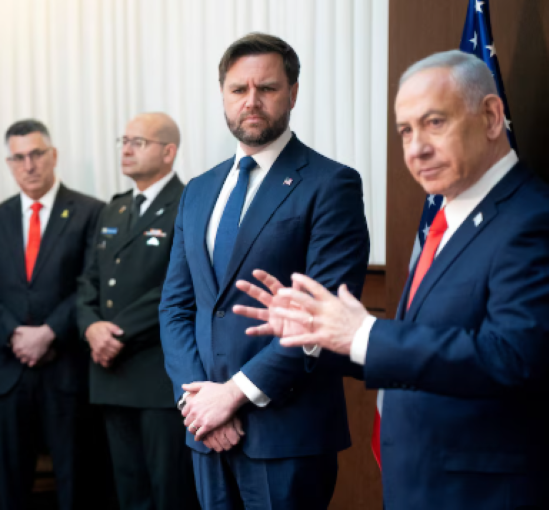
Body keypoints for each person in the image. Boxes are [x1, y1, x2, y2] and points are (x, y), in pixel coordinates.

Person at [245, 50, 549, 509]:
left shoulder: (531, 219)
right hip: (420, 485)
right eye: (406, 131)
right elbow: (422, 346)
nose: (416, 148)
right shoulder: (452, 217)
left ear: (491, 117)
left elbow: (512, 358)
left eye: (434, 123)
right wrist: (323, 336)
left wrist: (365, 334)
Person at [158, 33, 369, 509]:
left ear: (293, 93)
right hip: (205, 429)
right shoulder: (198, 190)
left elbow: (324, 318)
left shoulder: (331, 184)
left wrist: (233, 395)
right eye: (239, 89)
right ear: (223, 95)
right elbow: (176, 307)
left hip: (287, 433)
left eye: (267, 88)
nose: (251, 101)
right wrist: (198, 403)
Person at [0, 119, 104, 510]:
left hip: (65, 369)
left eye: (36, 154)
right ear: (9, 164)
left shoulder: (90, 212)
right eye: (19, 158)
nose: (28, 165)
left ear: (53, 156)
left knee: (75, 483)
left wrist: (48, 332)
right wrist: (15, 335)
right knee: (12, 489)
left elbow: (89, 284)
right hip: (7, 372)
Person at [77, 112, 197, 510]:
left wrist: (115, 333)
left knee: (169, 493)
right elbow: (89, 281)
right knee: (129, 493)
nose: (126, 150)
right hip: (111, 373)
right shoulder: (114, 209)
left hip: (156, 373)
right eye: (124, 141)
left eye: (138, 142)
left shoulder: (188, 203)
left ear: (168, 152)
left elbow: (178, 286)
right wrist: (91, 327)